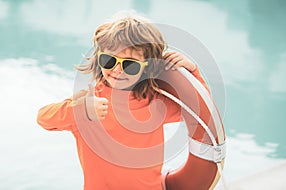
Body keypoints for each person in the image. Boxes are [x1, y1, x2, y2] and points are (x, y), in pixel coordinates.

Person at [37, 11, 211, 190]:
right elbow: (43, 118)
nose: (117, 70)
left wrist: (193, 72)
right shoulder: (89, 102)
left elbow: (202, 111)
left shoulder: (155, 104)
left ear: (147, 67)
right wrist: (80, 111)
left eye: (130, 65)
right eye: (109, 60)